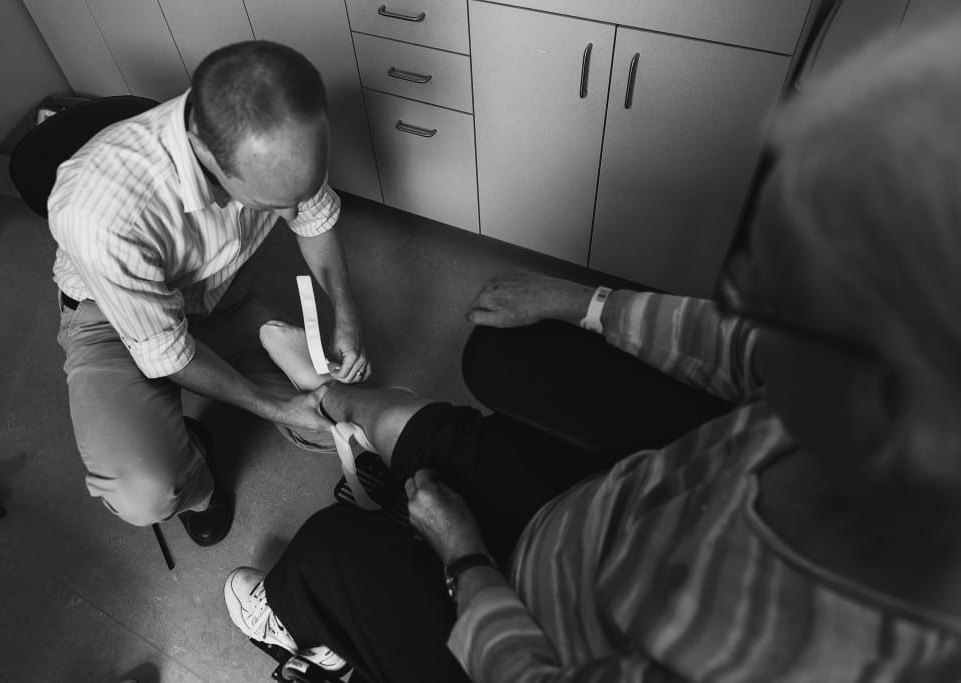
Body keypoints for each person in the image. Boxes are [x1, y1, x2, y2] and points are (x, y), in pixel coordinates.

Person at [223, 19, 961, 683]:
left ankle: (303, 630)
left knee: (330, 554)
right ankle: (352, 428)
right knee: (433, 425)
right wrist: (584, 302)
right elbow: (744, 344)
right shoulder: (869, 374)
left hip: (543, 645)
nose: (738, 284)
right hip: (605, 515)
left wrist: (466, 557)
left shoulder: (804, 646)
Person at [48, 41, 370, 545]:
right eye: (273, 204)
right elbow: (169, 354)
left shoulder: (282, 130)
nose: (290, 217)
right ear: (208, 158)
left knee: (342, 424)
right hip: (112, 320)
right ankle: (200, 483)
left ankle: (270, 336)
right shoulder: (97, 215)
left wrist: (346, 315)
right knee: (148, 493)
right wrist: (275, 408)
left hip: (219, 292)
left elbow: (313, 218)